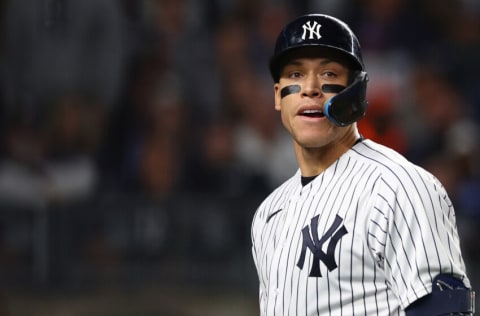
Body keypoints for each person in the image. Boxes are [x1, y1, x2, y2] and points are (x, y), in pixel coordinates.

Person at [250, 13, 475, 315]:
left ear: (356, 92)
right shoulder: (268, 215)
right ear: (278, 96)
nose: (310, 88)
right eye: (295, 75)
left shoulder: (400, 188)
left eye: (329, 74)